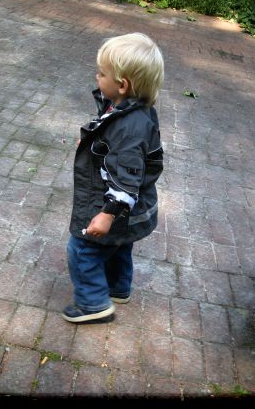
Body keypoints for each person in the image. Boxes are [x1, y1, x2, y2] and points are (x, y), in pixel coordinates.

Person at [63, 32, 165, 323]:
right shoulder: (131, 109)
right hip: (130, 212)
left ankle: (93, 303)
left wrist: (107, 215)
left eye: (101, 73)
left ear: (122, 85)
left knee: (82, 249)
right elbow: (113, 144)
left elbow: (127, 179)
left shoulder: (130, 129)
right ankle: (118, 288)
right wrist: (94, 142)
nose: (96, 76)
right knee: (119, 245)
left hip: (114, 205)